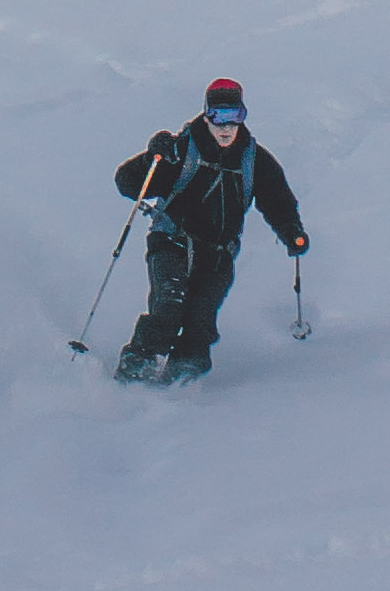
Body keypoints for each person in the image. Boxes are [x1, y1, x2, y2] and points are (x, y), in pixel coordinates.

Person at [111, 79, 304, 383]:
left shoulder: (254, 160)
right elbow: (128, 183)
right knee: (168, 304)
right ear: (205, 115)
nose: (226, 127)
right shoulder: (181, 149)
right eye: (218, 118)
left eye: (235, 117)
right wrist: (151, 158)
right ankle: (137, 367)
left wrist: (292, 232)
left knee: (201, 317)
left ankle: (184, 376)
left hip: (218, 252)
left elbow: (277, 201)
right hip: (171, 240)